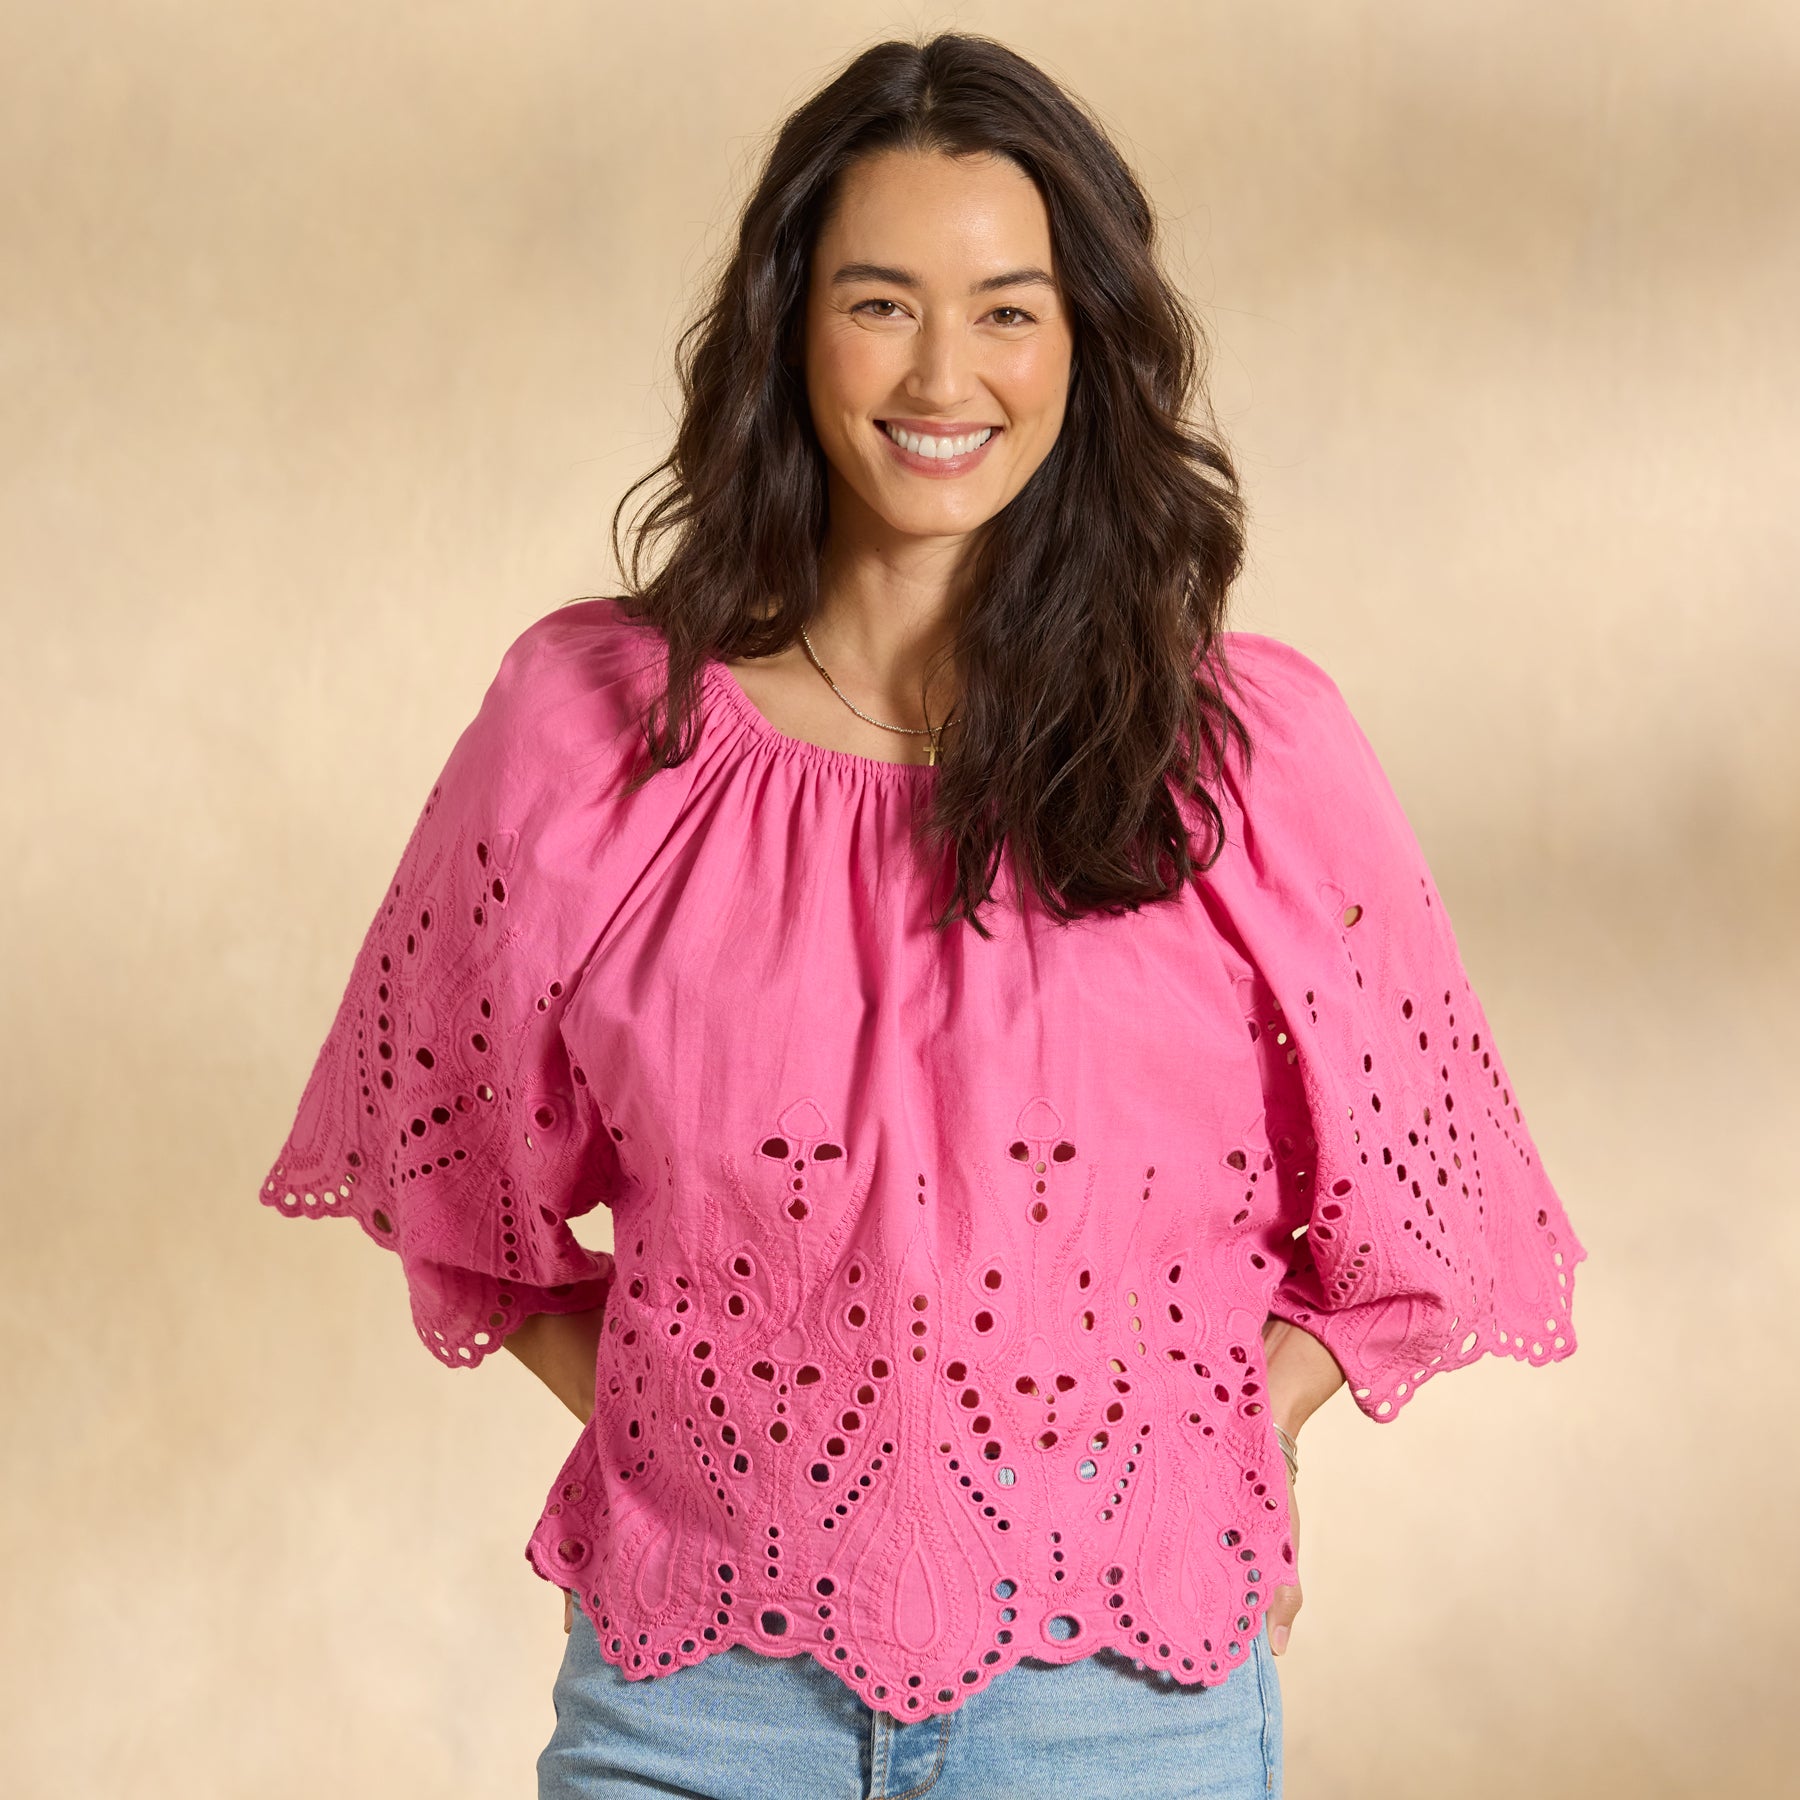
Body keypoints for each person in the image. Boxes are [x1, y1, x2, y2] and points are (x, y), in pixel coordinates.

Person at [258, 30, 1587, 1800]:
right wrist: (742, 1471)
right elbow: (459, 1196)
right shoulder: (590, 735)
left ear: (1084, 344)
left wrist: (1200, 1452)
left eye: (1007, 310)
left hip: (1119, 1715)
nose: (943, 373)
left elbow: (1431, 1213)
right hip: (698, 1710)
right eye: (880, 303)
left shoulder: (1246, 757)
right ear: (787, 326)